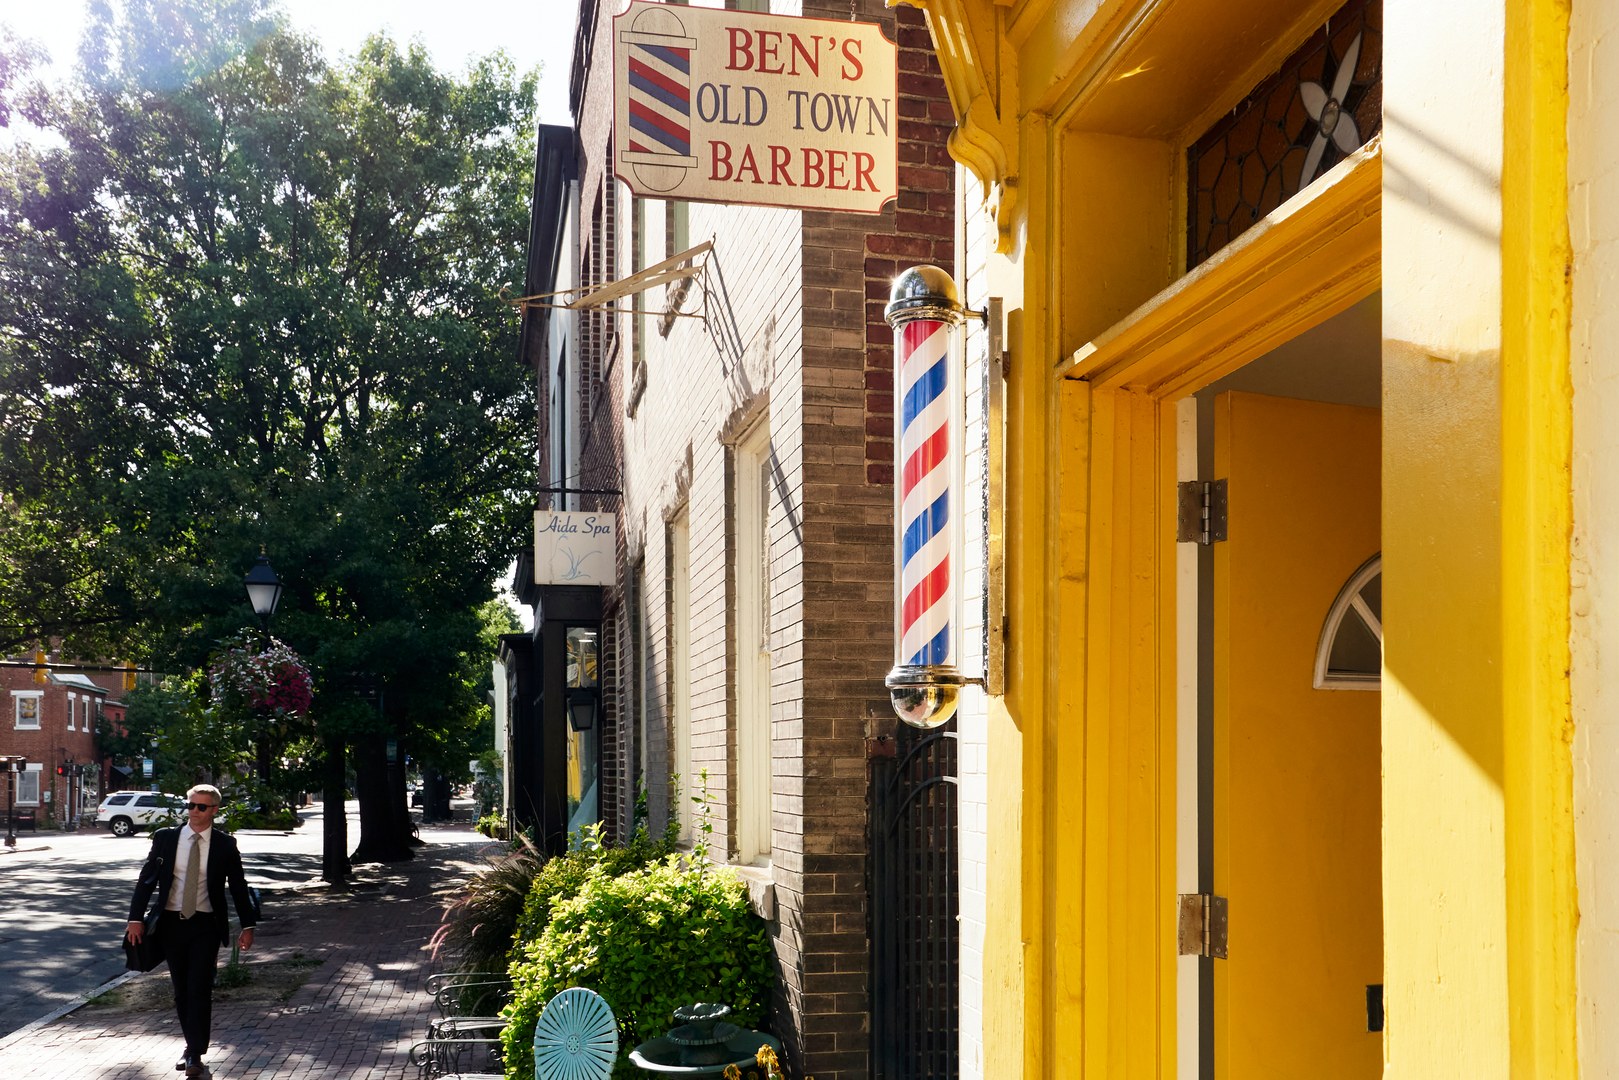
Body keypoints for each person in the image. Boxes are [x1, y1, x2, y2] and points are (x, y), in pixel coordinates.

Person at [126, 784, 256, 1079]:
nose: (194, 812)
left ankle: (195, 1052)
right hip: (171, 923)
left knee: (199, 986)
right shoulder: (166, 839)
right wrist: (135, 918)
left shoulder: (225, 844)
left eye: (201, 807)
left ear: (214, 810)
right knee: (181, 989)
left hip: (205, 924)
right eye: (191, 806)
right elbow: (146, 881)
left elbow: (238, 886)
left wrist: (248, 926)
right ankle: (190, 1045)